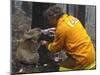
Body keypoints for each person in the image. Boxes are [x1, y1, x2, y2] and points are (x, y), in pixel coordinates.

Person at [42, 5, 96, 71]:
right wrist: (57, 31)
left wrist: (46, 44)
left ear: (53, 17)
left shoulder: (61, 28)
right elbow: (69, 31)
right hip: (91, 55)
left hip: (82, 59)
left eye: (49, 20)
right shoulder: (71, 18)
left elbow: (56, 48)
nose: (49, 22)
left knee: (62, 69)